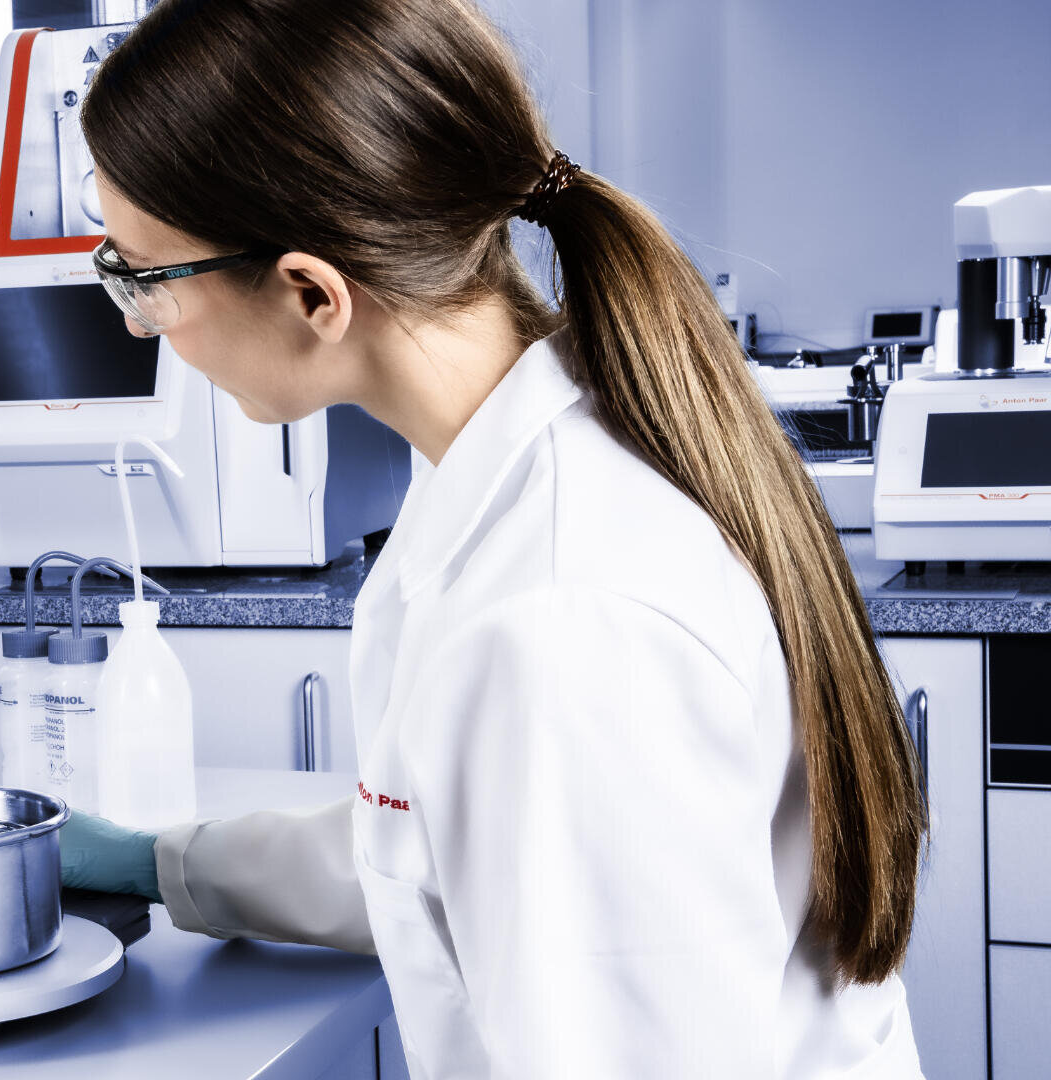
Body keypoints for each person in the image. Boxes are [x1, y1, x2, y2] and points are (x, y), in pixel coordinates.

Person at [58, 1, 929, 1076]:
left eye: (141, 276)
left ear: (310, 293)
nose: (137, 321)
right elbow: (430, 846)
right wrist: (159, 865)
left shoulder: (556, 616)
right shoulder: (523, 459)